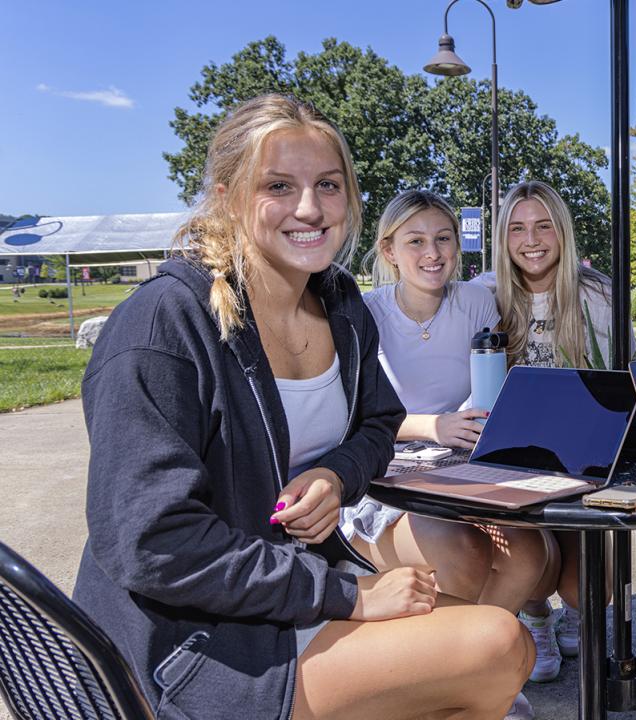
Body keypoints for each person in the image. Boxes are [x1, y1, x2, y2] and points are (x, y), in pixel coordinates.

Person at [72, 94, 532, 720]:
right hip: (194, 644)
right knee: (495, 645)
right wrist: (344, 593)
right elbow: (153, 542)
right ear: (228, 193)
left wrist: (335, 474)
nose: (310, 208)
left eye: (328, 185)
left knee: (497, 655)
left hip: (291, 586)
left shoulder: (339, 300)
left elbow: (378, 422)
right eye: (279, 186)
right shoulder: (164, 323)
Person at [344, 189, 553, 719]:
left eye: (443, 239)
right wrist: (432, 426)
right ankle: (470, 682)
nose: (432, 252)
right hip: (389, 474)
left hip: (464, 466)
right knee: (461, 557)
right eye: (415, 241)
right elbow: (351, 421)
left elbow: (491, 390)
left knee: (528, 555)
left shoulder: (478, 303)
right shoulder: (364, 314)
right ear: (389, 250)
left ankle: (477, 675)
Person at [479, 179, 626, 682]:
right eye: (517, 228)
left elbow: (617, 383)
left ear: (562, 231)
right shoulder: (486, 295)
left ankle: (581, 613)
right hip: (513, 453)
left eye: (543, 225)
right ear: (502, 238)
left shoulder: (600, 295)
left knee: (589, 580)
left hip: (581, 451)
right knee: (529, 549)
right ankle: (535, 616)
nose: (531, 239)